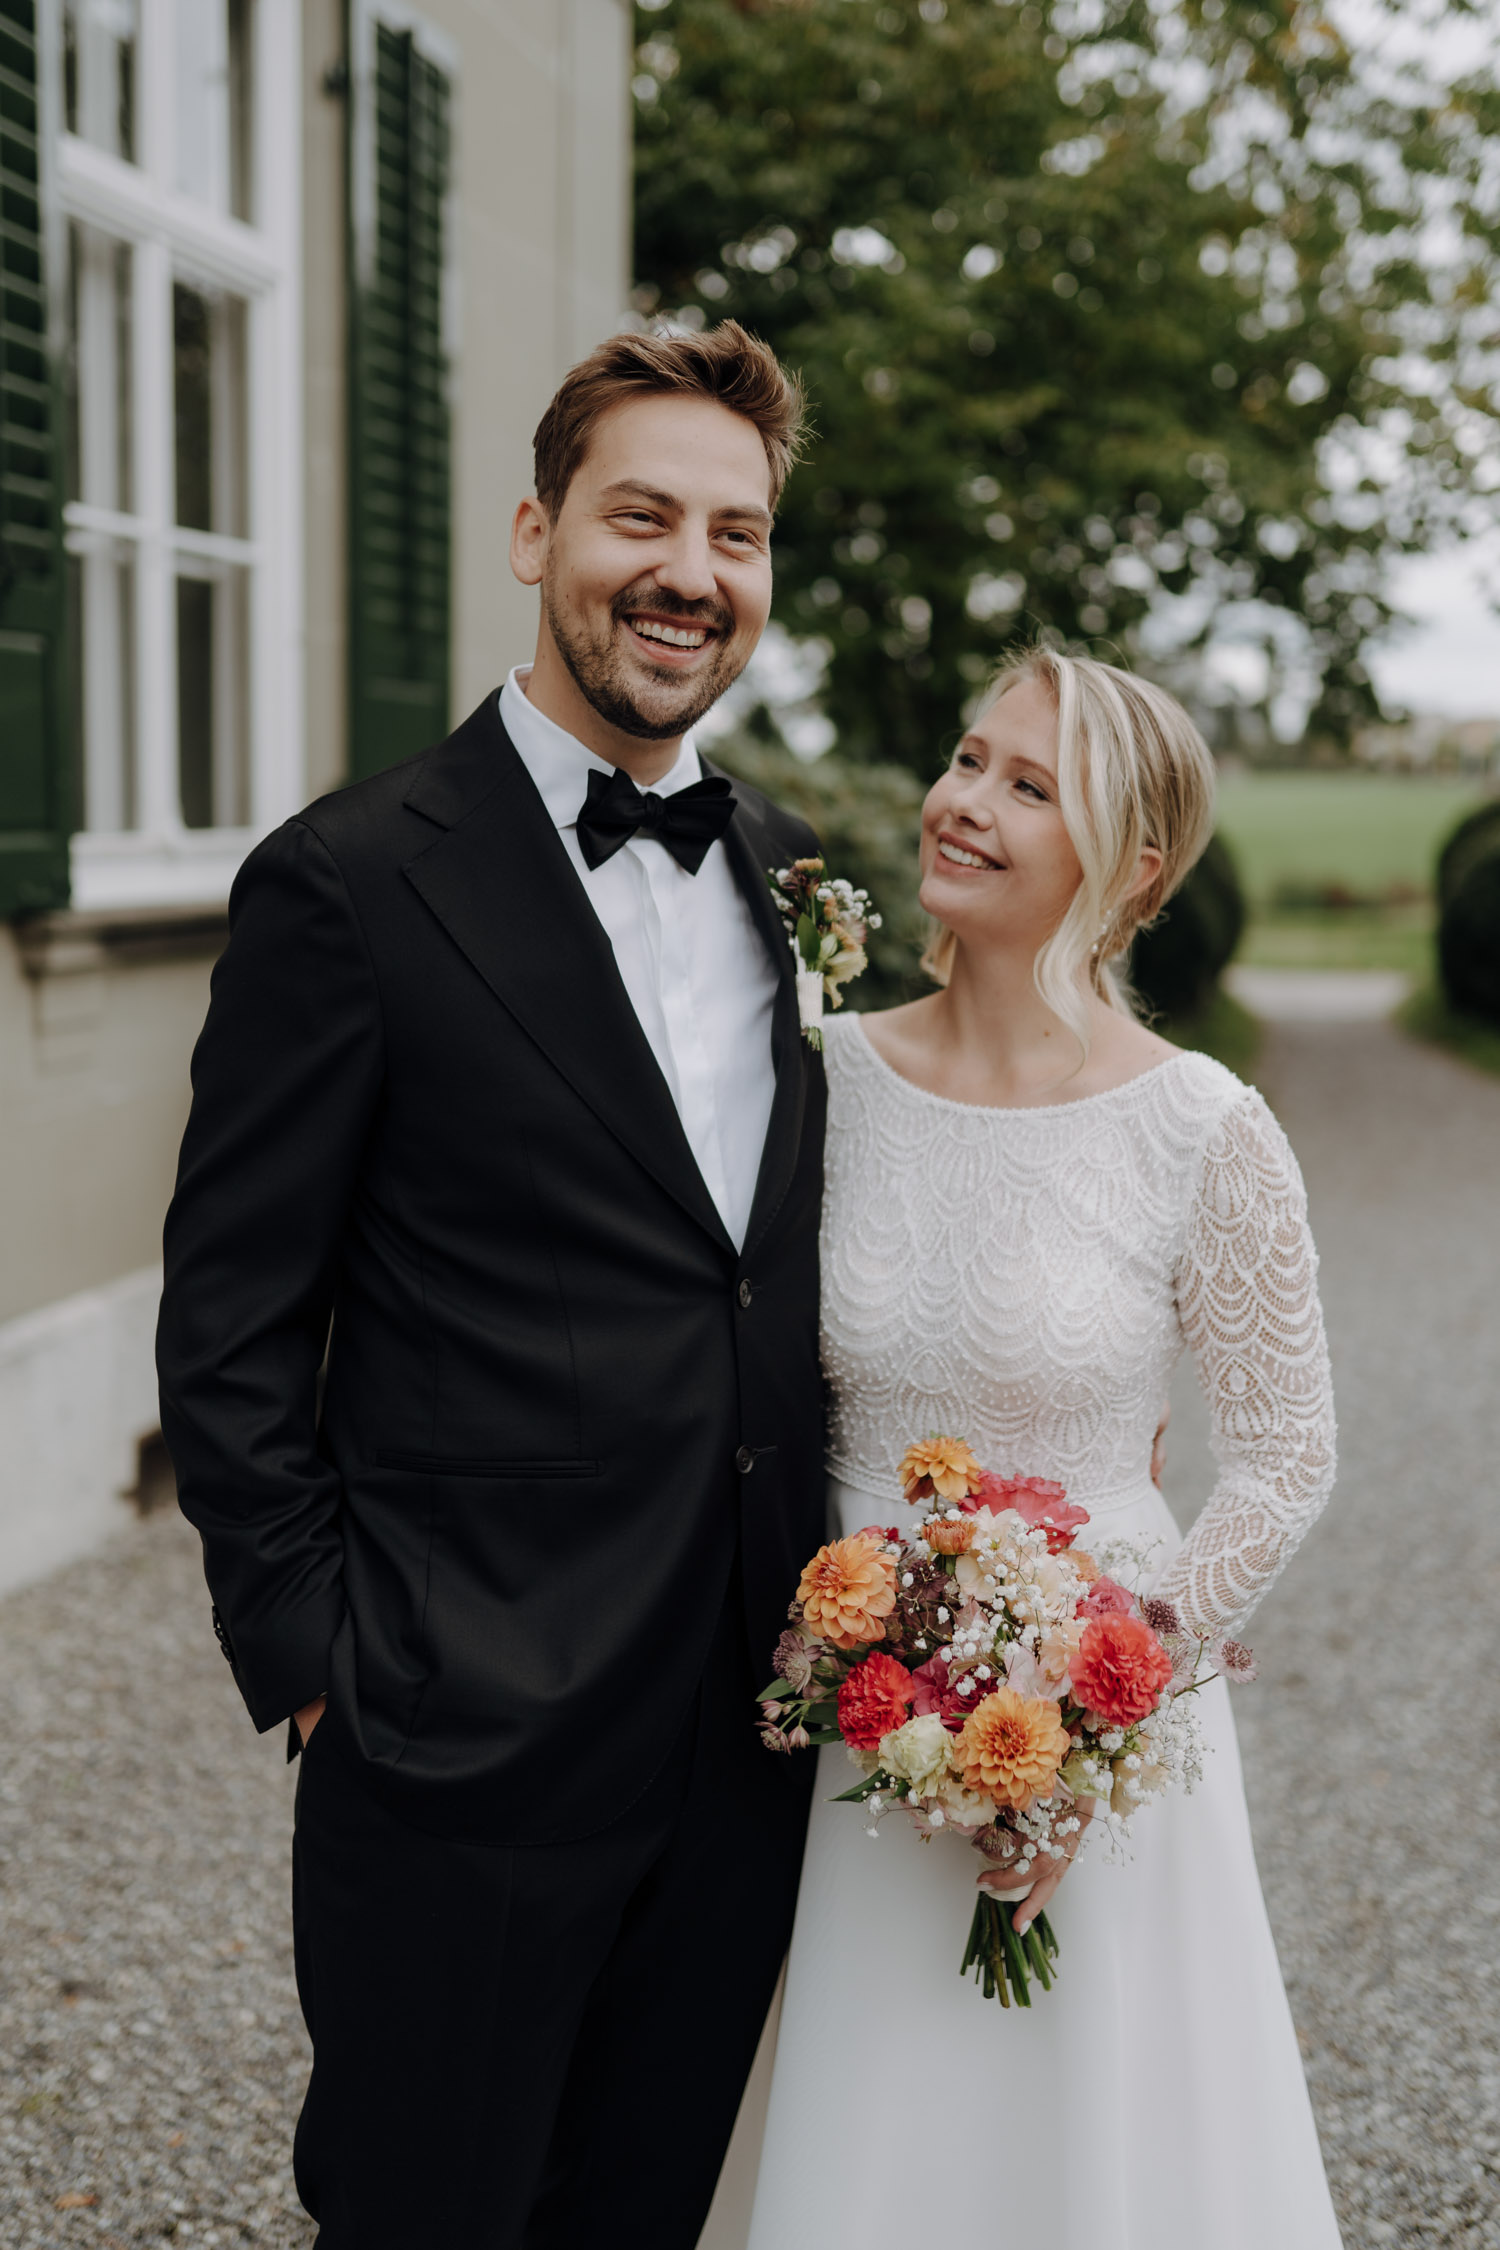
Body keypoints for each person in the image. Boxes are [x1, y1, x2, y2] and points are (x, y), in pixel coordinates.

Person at [156, 322, 829, 2249]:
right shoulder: (349, 883)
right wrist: (319, 1669)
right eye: (641, 515)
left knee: (640, 2211)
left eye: (739, 529)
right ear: (537, 532)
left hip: (742, 1727)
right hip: (453, 1736)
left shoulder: (795, 875)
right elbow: (230, 1318)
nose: (691, 571)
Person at [741, 647, 1343, 2248]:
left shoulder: (1201, 1125)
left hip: (1097, 1730)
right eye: (964, 757)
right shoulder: (826, 1081)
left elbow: (1287, 1453)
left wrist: (1109, 1686)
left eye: (1028, 784)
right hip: (853, 1701)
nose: (963, 801)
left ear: (1134, 862)